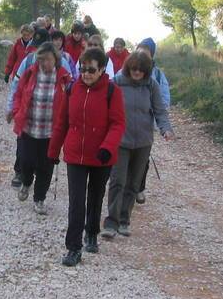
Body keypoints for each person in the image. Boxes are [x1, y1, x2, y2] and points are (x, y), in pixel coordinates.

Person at [48, 47, 126, 267]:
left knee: (95, 197)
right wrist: (53, 151)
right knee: (76, 202)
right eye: (83, 69)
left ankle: (91, 233)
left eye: (91, 69)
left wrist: (107, 147)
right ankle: (73, 248)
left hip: (101, 156)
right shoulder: (72, 89)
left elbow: (118, 123)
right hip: (75, 155)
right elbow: (62, 122)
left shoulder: (113, 92)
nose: (86, 74)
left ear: (102, 69)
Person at [101, 50, 173, 239]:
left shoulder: (151, 85)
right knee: (118, 180)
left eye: (141, 70)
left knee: (133, 183)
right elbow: (105, 109)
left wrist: (165, 129)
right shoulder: (116, 83)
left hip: (143, 142)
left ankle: (124, 220)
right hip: (121, 141)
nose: (137, 73)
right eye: (134, 69)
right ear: (128, 67)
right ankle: (111, 221)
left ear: (146, 71)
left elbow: (160, 111)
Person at [7, 42, 72, 215]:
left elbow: (71, 103)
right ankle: (27, 182)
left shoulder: (65, 78)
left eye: (48, 59)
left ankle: (39, 199)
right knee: (26, 161)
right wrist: (15, 111)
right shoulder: (30, 73)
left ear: (55, 59)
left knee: (46, 166)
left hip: (51, 132)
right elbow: (18, 93)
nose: (44, 63)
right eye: (41, 59)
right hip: (29, 128)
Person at [9, 28, 50, 186]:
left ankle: (38, 184)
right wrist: (12, 108)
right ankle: (20, 173)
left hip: (47, 120)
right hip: (26, 113)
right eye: (36, 45)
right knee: (23, 147)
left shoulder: (61, 63)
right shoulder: (29, 60)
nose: (38, 50)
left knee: (42, 153)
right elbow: (16, 85)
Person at [133, 37, 171, 204]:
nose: (141, 56)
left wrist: (160, 122)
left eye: (146, 53)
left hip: (145, 126)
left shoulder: (158, 76)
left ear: (151, 56)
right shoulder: (125, 71)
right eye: (139, 51)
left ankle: (139, 188)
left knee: (143, 160)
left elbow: (164, 99)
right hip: (125, 124)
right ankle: (125, 190)